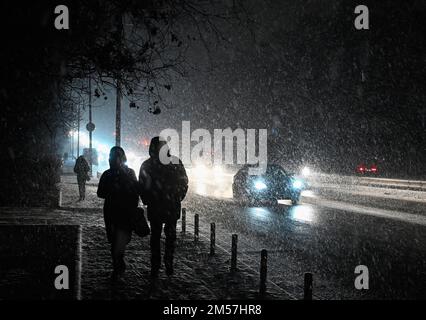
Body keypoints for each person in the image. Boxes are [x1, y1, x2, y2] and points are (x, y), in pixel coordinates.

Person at [139, 137, 188, 278]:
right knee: (170, 237)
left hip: (156, 206)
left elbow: (142, 186)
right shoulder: (175, 162)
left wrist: (148, 199)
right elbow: (184, 183)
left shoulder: (147, 165)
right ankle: (168, 262)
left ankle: (156, 264)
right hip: (171, 206)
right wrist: (177, 197)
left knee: (155, 237)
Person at [97, 147, 139, 280]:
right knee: (118, 240)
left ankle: (118, 264)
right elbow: (135, 191)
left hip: (114, 211)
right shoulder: (129, 173)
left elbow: (100, 193)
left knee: (116, 239)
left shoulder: (107, 174)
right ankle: (118, 264)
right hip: (122, 212)